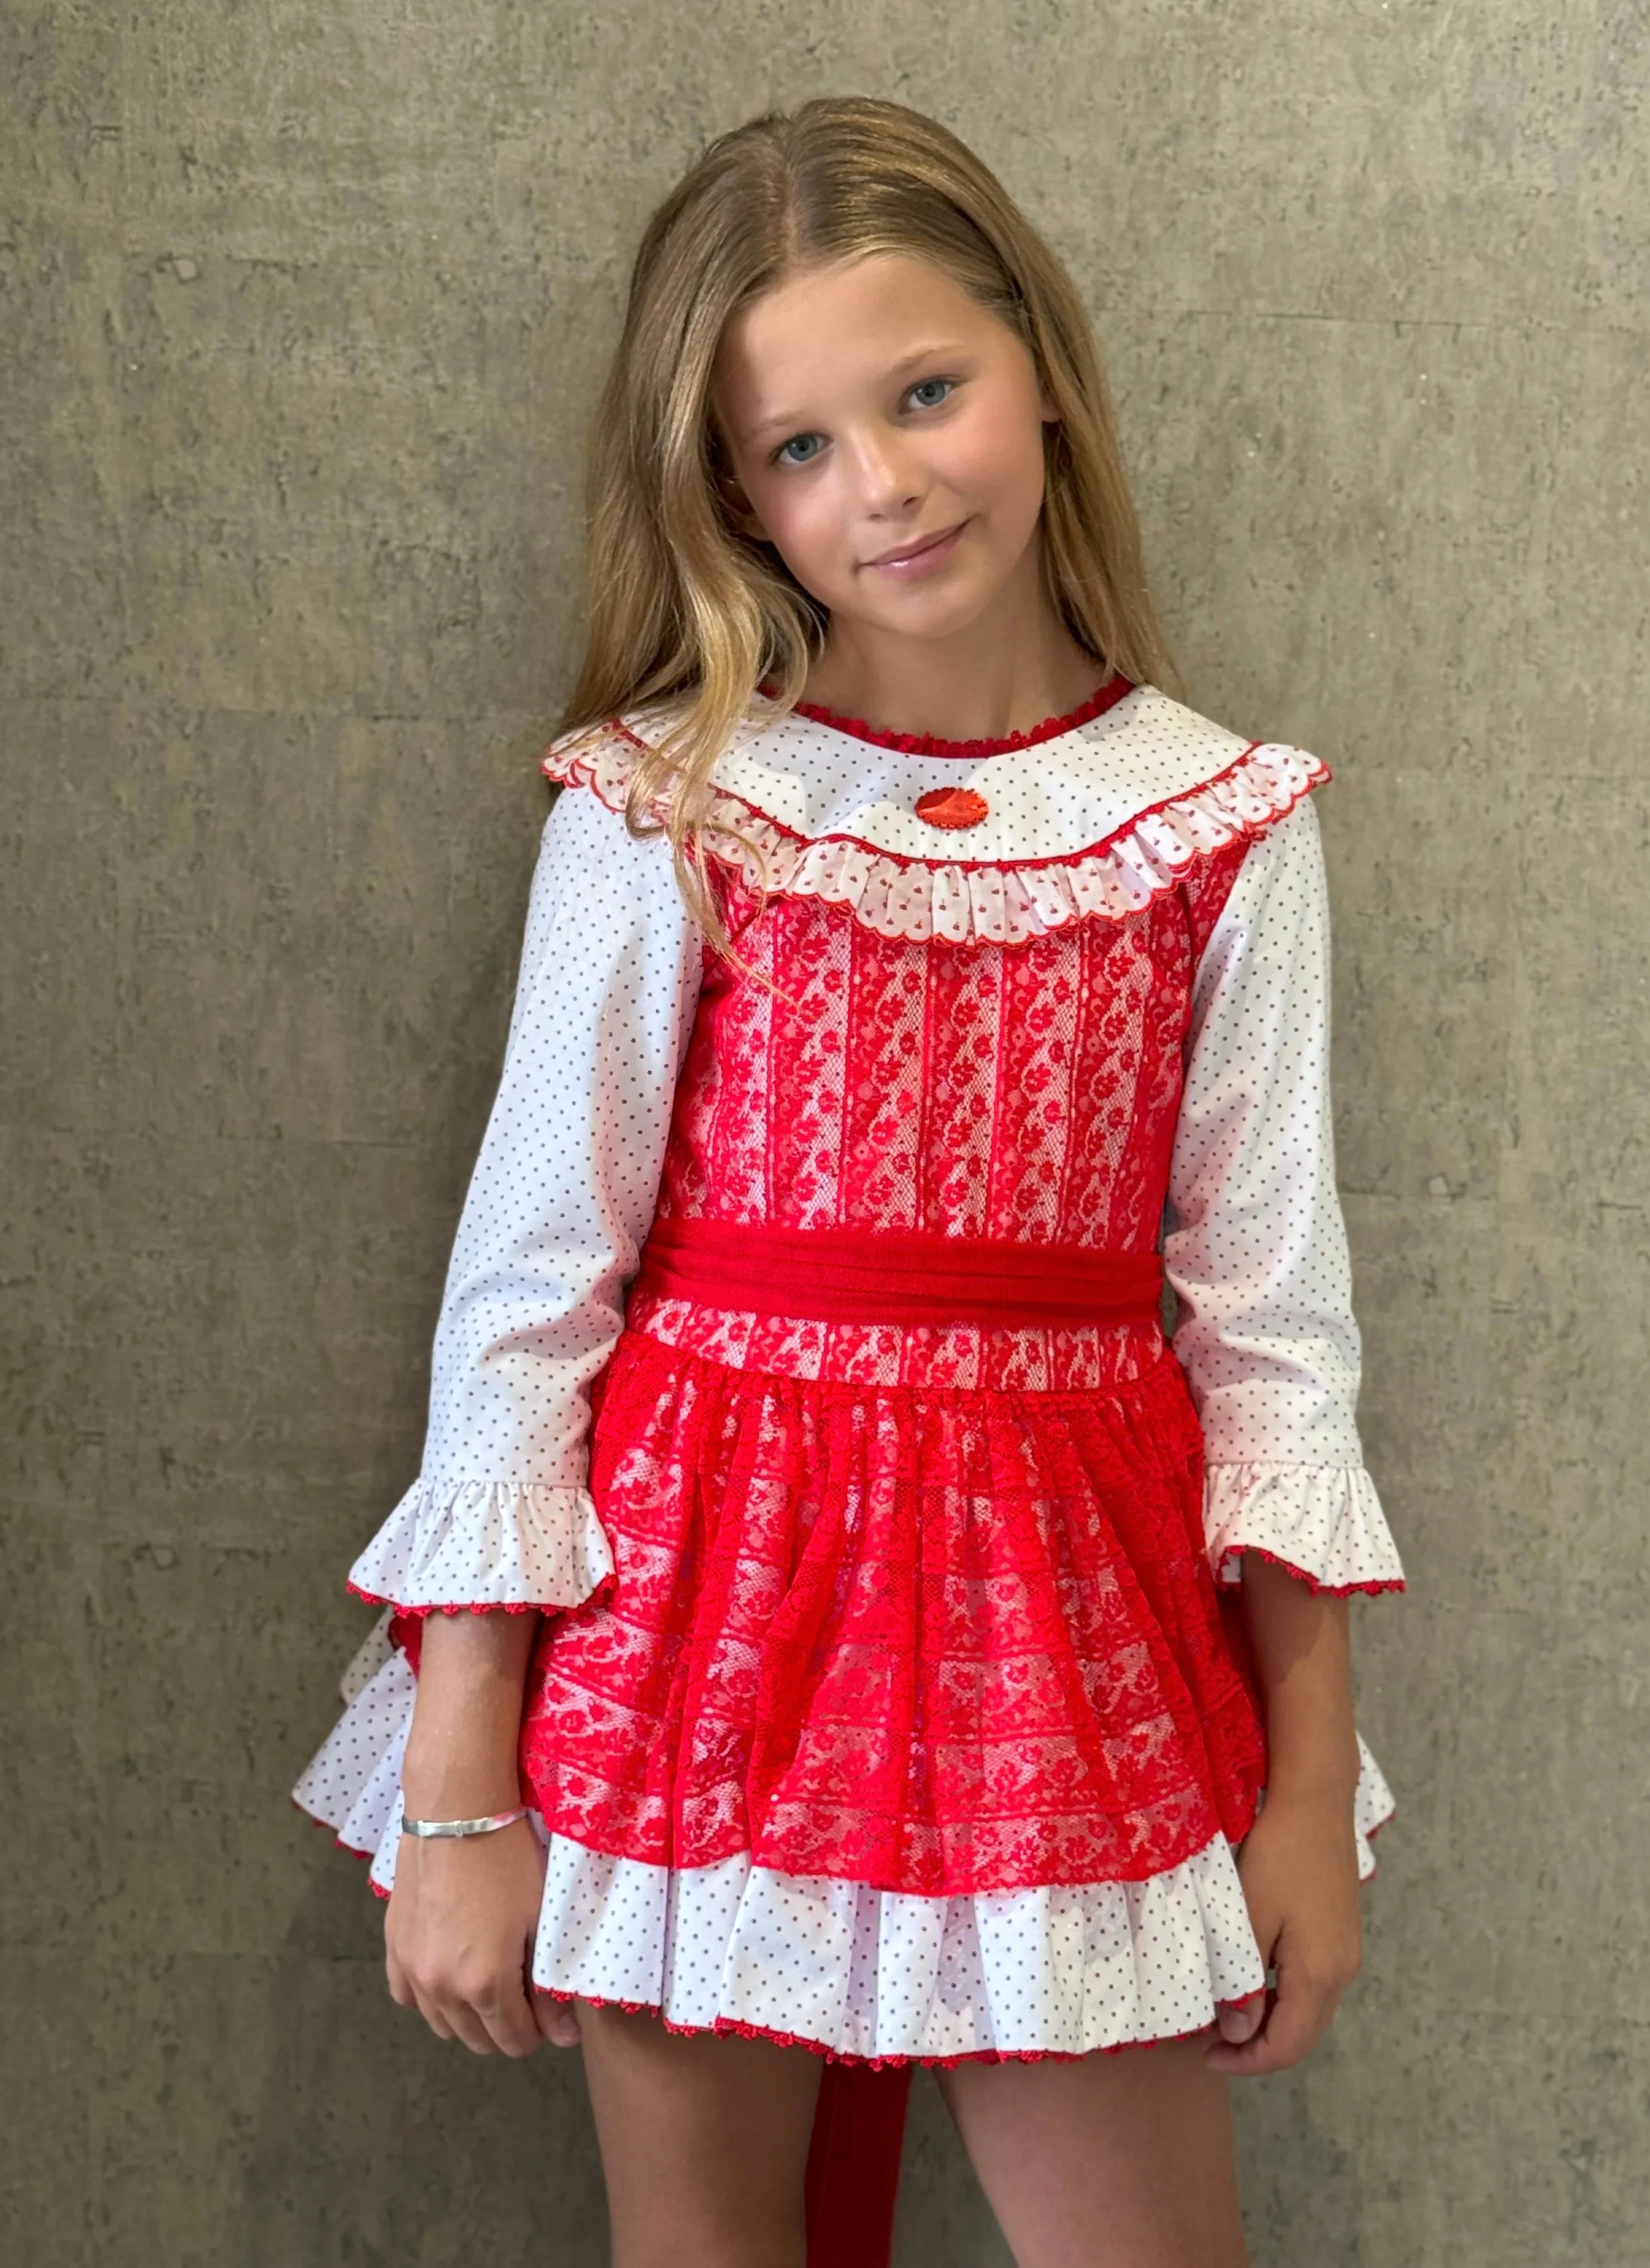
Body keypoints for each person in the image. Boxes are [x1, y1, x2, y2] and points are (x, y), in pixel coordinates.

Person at [292, 94, 1406, 2268]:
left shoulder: (1219, 826)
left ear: (1042, 372)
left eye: (924, 393)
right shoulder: (666, 804)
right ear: (734, 498)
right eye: (797, 446)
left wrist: (1303, 1789)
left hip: (1067, 1661)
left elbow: (1278, 1335)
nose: (883, 483)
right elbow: (527, 1294)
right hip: (695, 1640)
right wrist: (462, 1782)